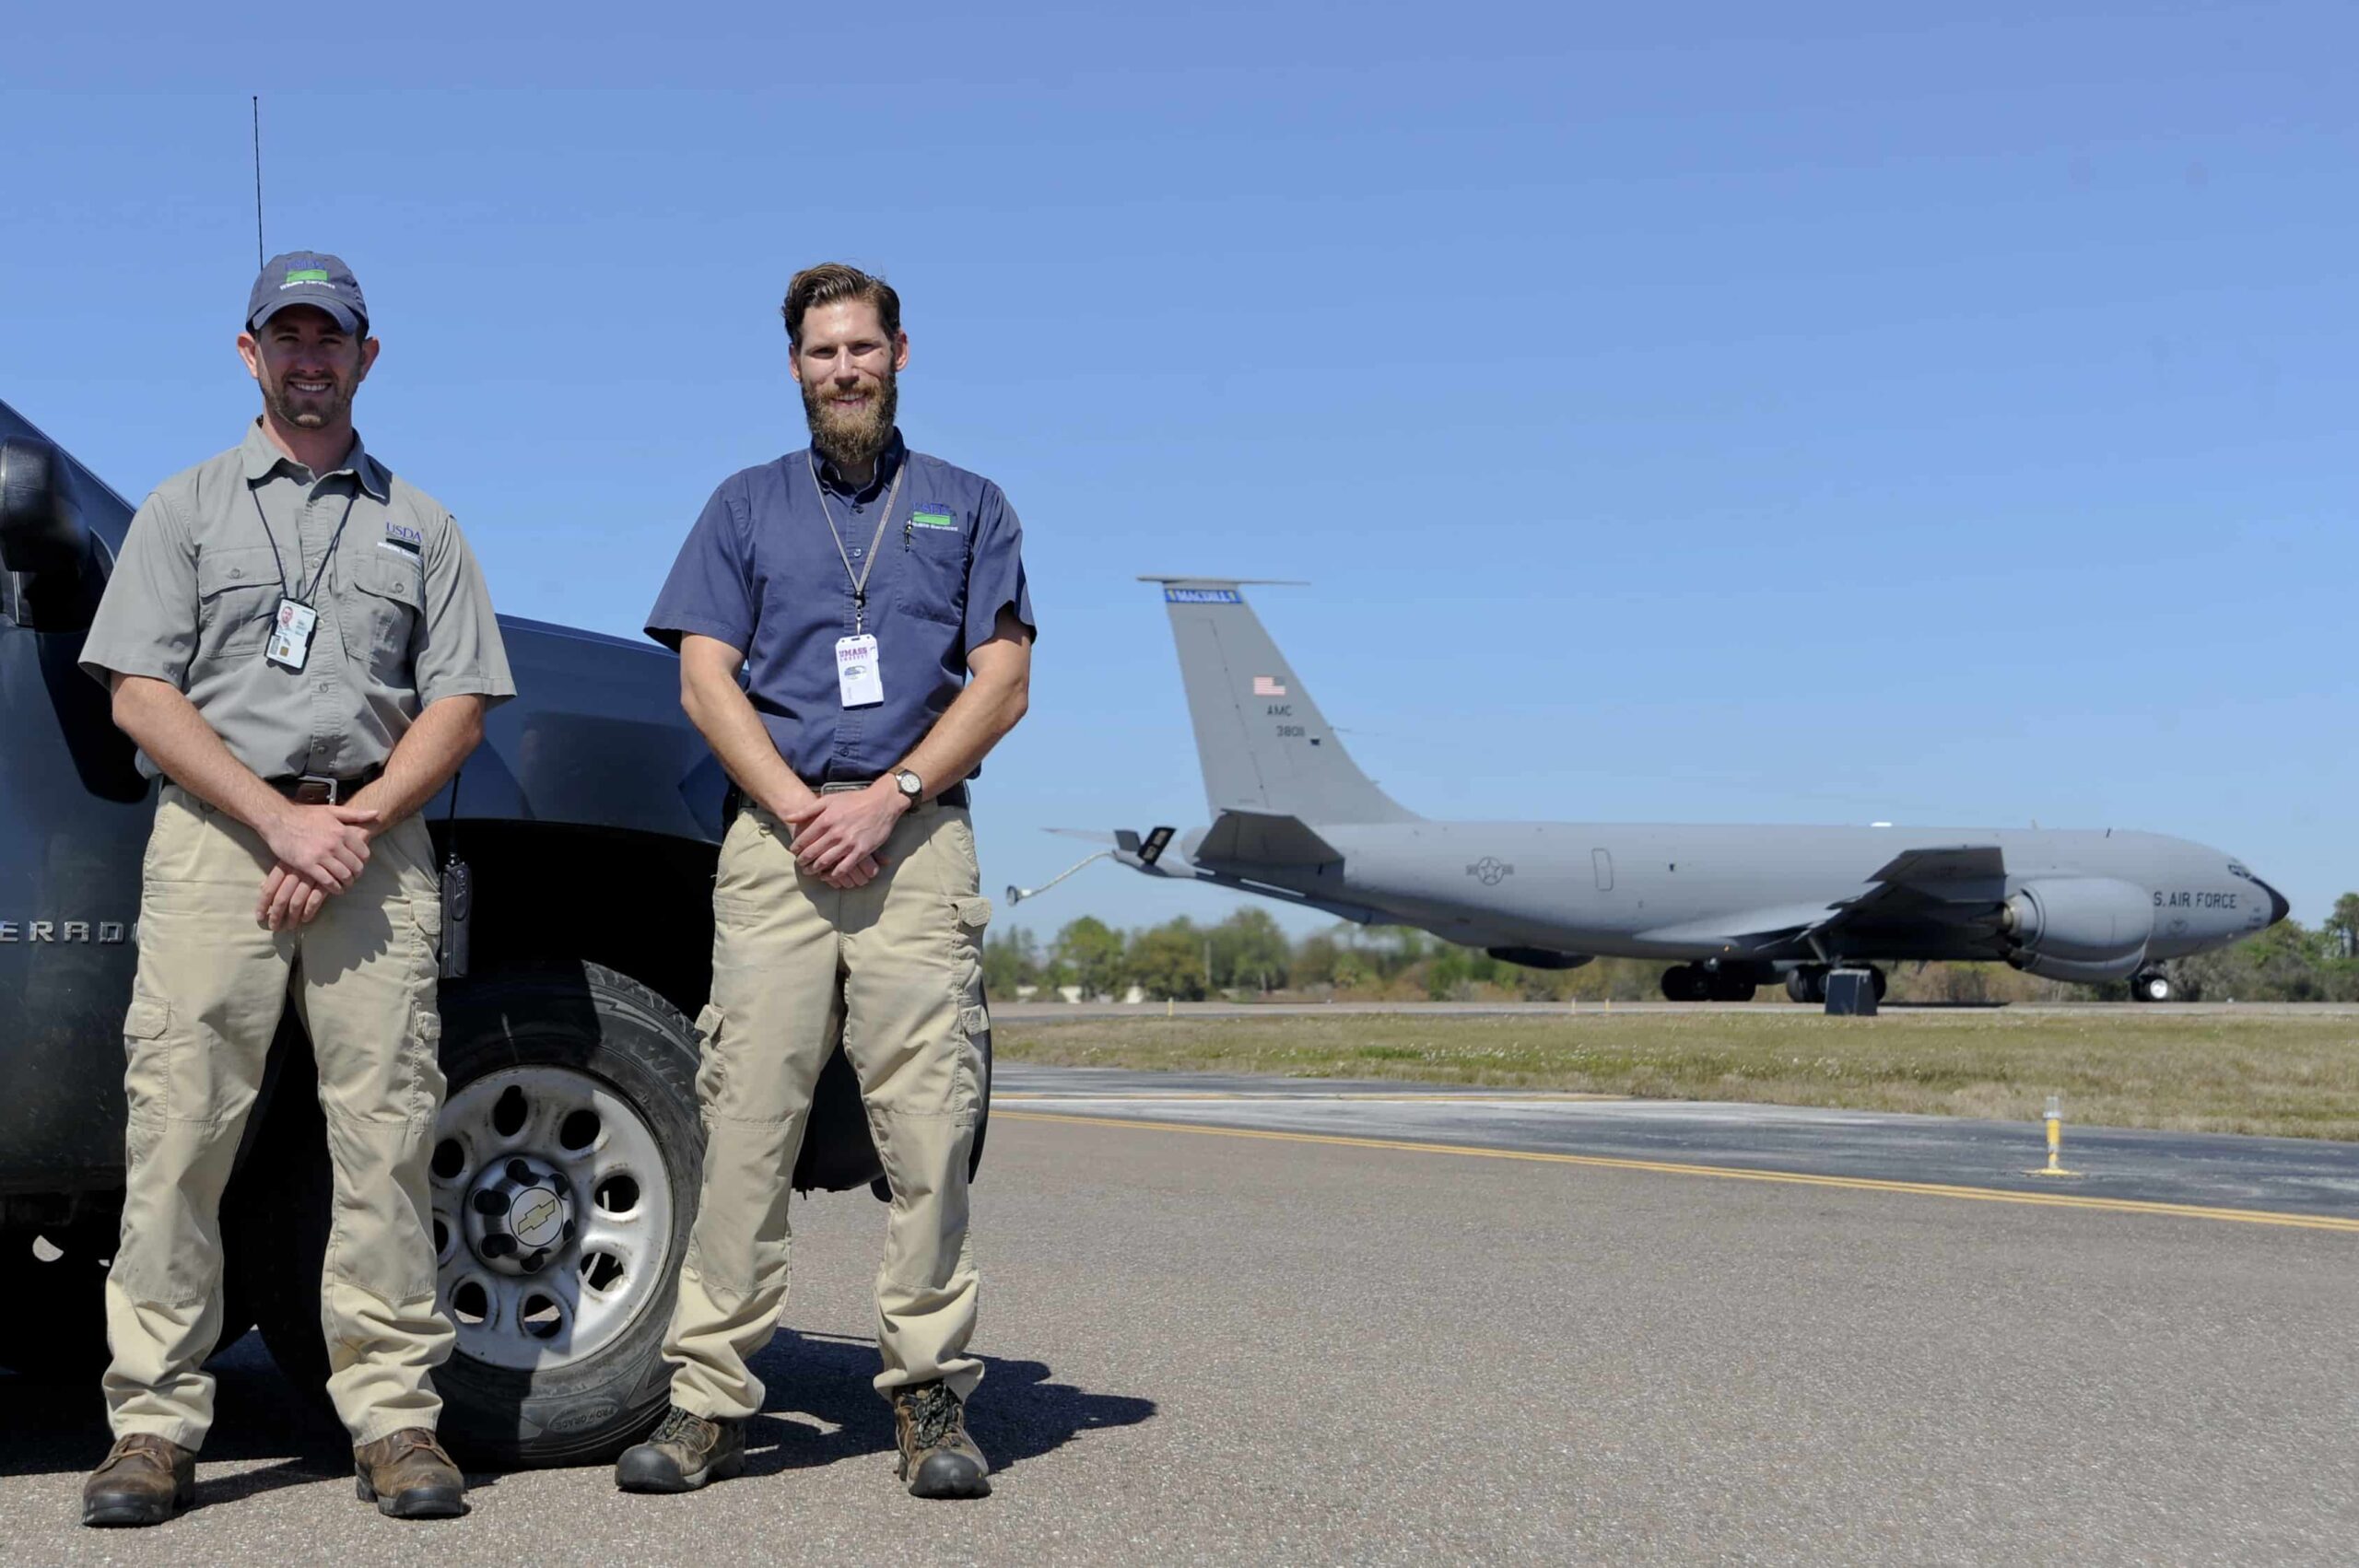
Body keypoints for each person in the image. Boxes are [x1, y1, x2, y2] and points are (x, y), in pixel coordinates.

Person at [75, 252, 513, 1527]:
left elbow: (463, 701)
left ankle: (395, 1418)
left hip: (373, 844)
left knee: (384, 1133)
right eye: (289, 337)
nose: (309, 358)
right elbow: (139, 692)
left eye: (333, 340)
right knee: (179, 1131)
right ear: (249, 351)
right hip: (221, 839)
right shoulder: (187, 509)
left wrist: (358, 820)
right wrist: (275, 819)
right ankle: (153, 1422)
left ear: (368, 358)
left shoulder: (420, 524)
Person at [621, 263, 1034, 1500]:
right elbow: (706, 678)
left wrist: (887, 799)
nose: (843, 369)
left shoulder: (969, 506)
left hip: (915, 845)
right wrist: (806, 808)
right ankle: (708, 1402)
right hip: (779, 848)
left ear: (902, 353)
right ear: (793, 367)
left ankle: (928, 1398)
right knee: (745, 1121)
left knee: (929, 1132)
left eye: (861, 347)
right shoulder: (745, 508)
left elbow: (1001, 681)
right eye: (820, 352)